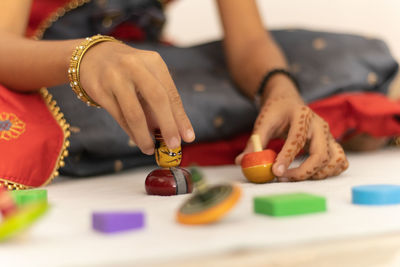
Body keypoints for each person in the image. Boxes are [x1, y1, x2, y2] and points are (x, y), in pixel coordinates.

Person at [5, 0, 400, 184]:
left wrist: (280, 89)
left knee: (345, 54)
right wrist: (89, 57)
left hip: (152, 61)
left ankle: (319, 112)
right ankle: (352, 113)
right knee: (99, 112)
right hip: (44, 71)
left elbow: (248, 45)